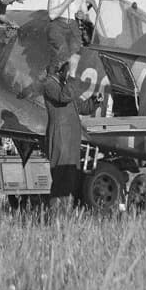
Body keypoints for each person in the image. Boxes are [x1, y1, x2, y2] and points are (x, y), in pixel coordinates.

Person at [42, 61, 101, 212]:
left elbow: (81, 107)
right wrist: (72, 77)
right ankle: (55, 215)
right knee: (61, 177)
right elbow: (64, 97)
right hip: (61, 137)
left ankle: (65, 214)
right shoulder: (49, 84)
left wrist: (94, 101)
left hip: (70, 139)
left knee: (70, 177)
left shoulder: (64, 85)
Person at [46, 0, 96, 77]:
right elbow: (52, 15)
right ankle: (50, 75)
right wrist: (67, 1)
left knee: (76, 54)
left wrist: (82, 16)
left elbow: (86, 16)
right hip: (57, 24)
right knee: (63, 50)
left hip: (73, 26)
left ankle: (68, 80)